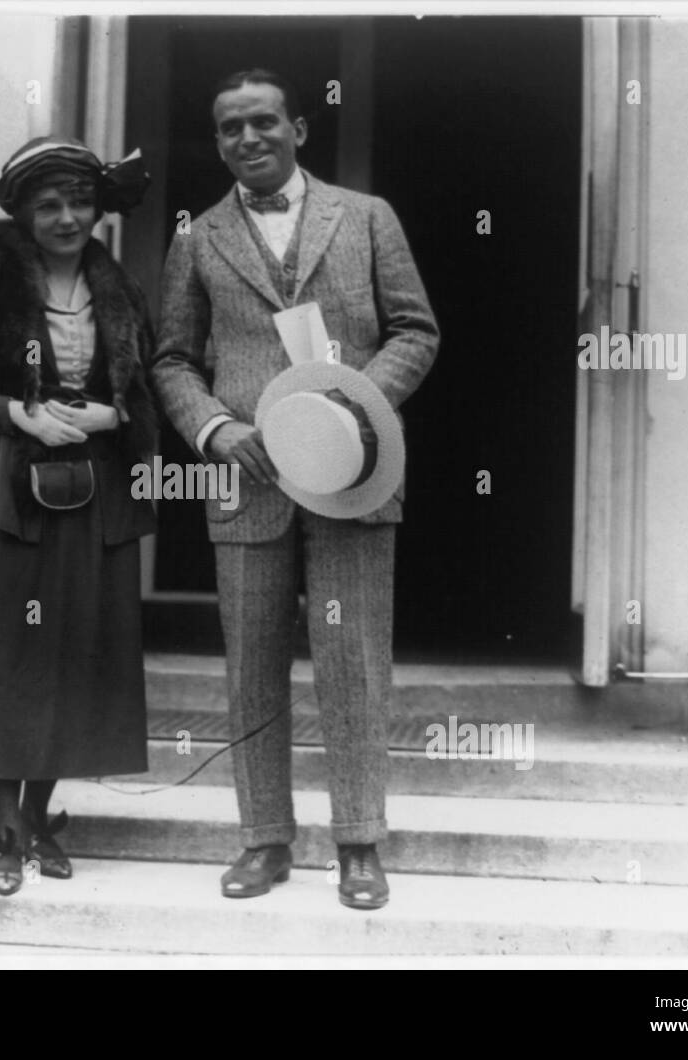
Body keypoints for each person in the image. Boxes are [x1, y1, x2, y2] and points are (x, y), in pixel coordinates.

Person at [151, 70, 439, 909]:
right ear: (218, 141)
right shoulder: (197, 240)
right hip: (251, 481)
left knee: (352, 662)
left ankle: (358, 843)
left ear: (300, 129)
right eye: (231, 128)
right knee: (252, 666)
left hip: (355, 471)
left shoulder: (368, 217)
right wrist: (215, 430)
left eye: (264, 123)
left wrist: (355, 402)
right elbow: (172, 359)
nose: (249, 139)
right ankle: (264, 840)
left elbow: (416, 329)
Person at [0, 137, 156, 896]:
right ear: (23, 212)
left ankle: (41, 813)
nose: (66, 217)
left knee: (74, 654)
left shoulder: (117, 289)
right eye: (49, 205)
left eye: (79, 203)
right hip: (7, 497)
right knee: (4, 658)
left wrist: (110, 418)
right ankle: (6, 827)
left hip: (98, 494)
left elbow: (143, 394)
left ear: (99, 210)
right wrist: (16, 414)